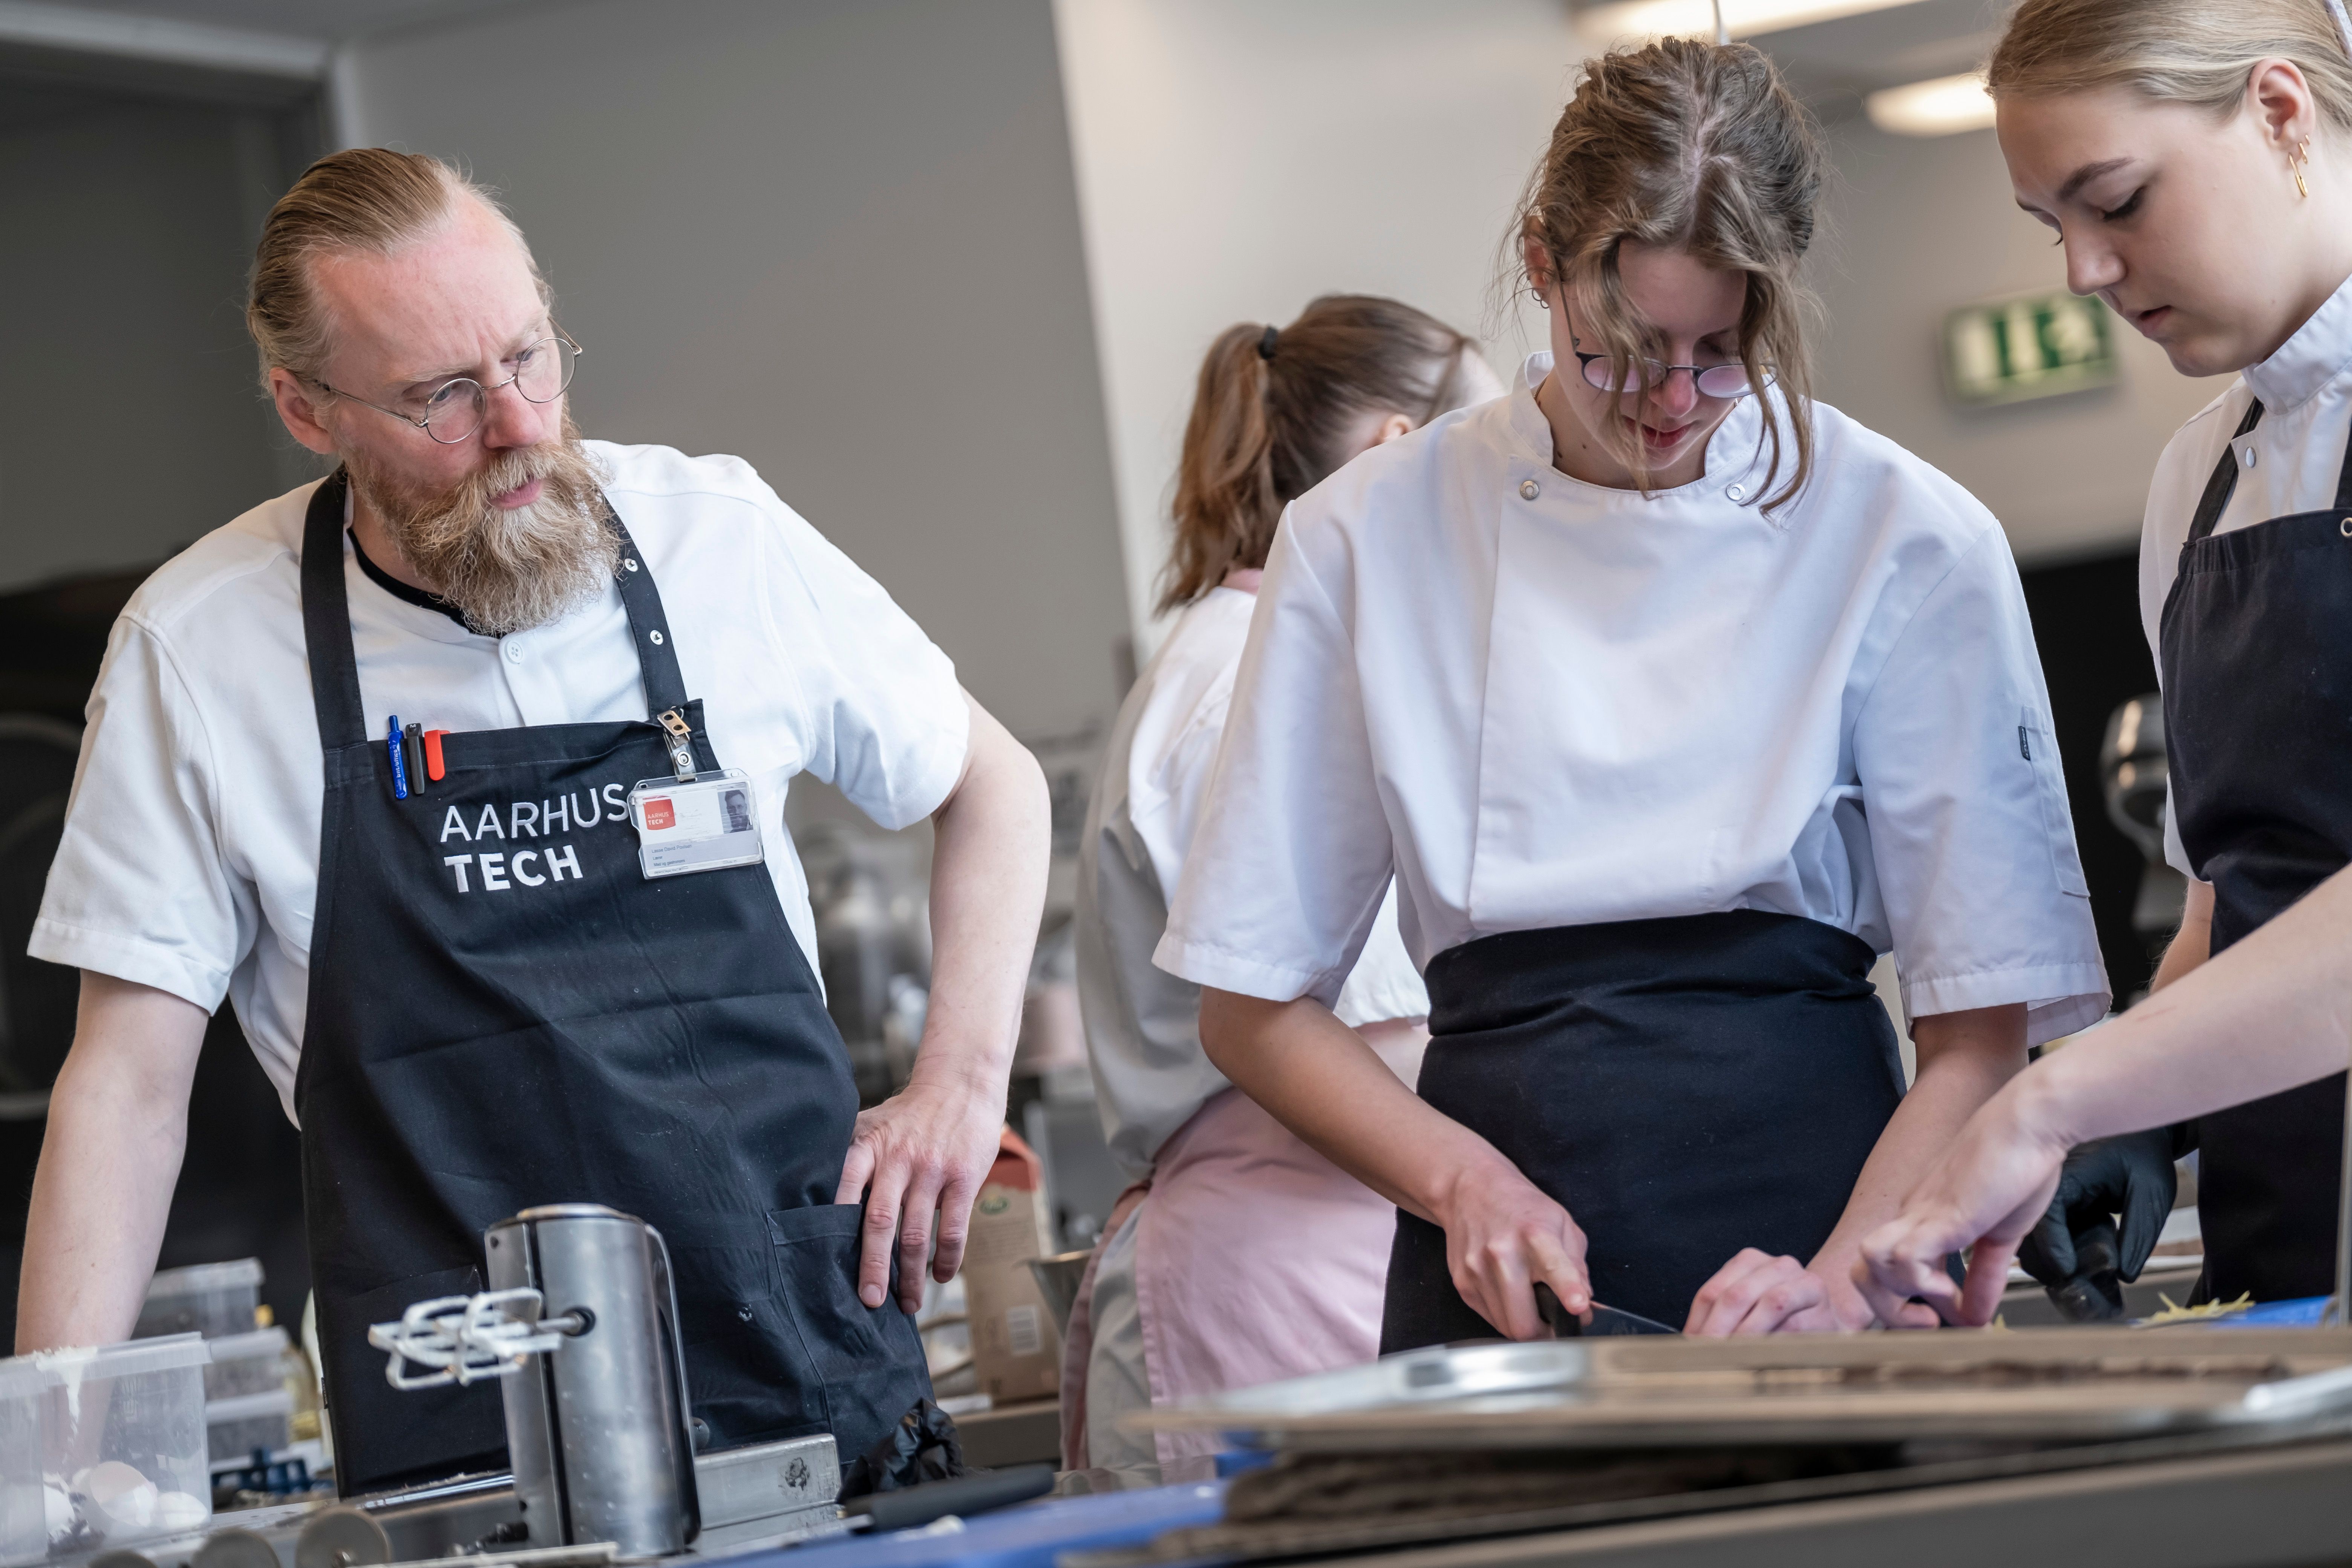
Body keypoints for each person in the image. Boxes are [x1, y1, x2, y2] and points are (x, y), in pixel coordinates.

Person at [16, 149, 1049, 1492]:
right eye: (441, 394)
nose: (516, 427)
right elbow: (127, 1090)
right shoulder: (201, 648)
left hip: (808, 1379)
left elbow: (993, 781)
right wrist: (45, 1468)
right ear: (305, 408)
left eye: (527, 357)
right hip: (465, 1439)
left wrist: (962, 1087)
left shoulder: (715, 537)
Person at [1156, 37, 2109, 1345]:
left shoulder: (1907, 534)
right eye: (1618, 350)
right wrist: (1459, 1179)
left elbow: (1980, 1031)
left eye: (1720, 351)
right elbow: (1251, 1003)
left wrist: (1839, 1290)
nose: (1669, 402)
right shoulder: (1363, 538)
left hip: (1834, 1229)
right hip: (1497, 1257)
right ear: (1542, 263)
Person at [1860, 0, 2352, 1325]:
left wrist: (2071, 1092)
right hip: (2291, 1246)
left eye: (2117, 201)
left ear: (2279, 112)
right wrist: (2147, 1114)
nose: (2083, 270)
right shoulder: (2198, 482)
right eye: (2053, 227)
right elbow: (2225, 893)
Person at [1066, 297, 1502, 1473]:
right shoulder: (1247, 687)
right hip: (1277, 1281)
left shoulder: (1290, 660)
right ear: (1399, 453)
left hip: (1339, 1257)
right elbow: (1377, 1046)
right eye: (1500, 444)